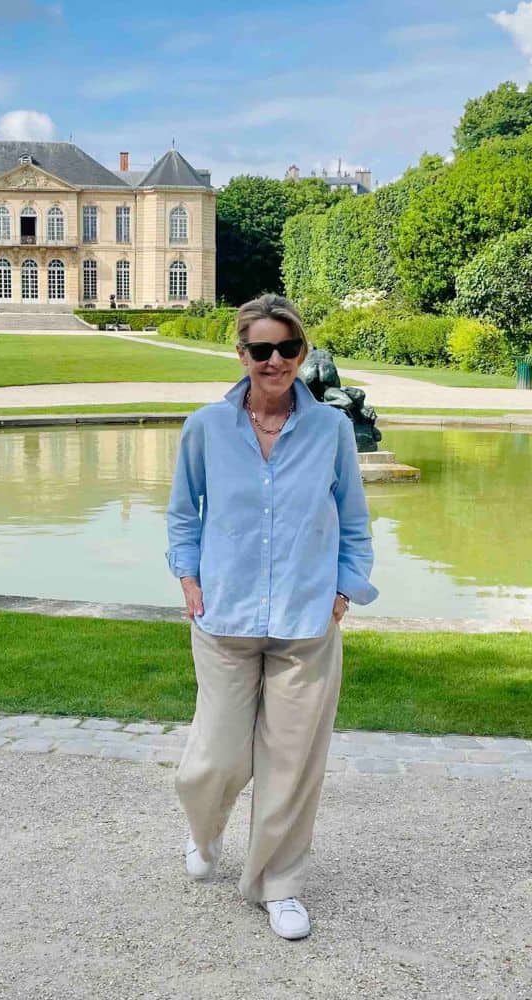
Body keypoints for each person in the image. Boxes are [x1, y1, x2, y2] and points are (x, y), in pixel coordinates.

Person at [166, 293, 377, 941]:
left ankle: (277, 884)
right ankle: (206, 831)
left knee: (291, 764)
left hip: (306, 622)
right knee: (214, 761)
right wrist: (188, 578)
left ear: (302, 352)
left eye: (287, 348)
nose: (275, 361)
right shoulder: (206, 427)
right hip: (223, 619)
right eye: (261, 349)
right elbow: (183, 514)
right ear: (242, 355)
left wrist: (344, 590)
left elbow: (354, 521)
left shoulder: (331, 430)